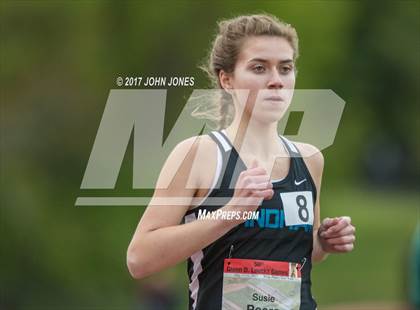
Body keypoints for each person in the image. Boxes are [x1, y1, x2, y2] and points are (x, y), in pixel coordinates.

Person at [127, 14, 356, 310]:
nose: (276, 80)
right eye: (259, 68)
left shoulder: (310, 159)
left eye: (285, 68)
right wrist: (231, 212)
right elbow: (139, 259)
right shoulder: (199, 155)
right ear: (227, 79)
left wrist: (323, 244)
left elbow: (291, 252)